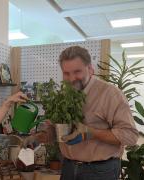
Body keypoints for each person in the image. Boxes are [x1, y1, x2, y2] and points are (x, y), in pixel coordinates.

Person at [24, 46, 139, 180]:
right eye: (66, 73)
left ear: (90, 69)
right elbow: (55, 131)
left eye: (77, 71)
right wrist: (38, 138)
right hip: (68, 167)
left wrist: (90, 132)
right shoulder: (62, 95)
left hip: (99, 171)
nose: (72, 78)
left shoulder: (110, 94)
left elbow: (130, 136)